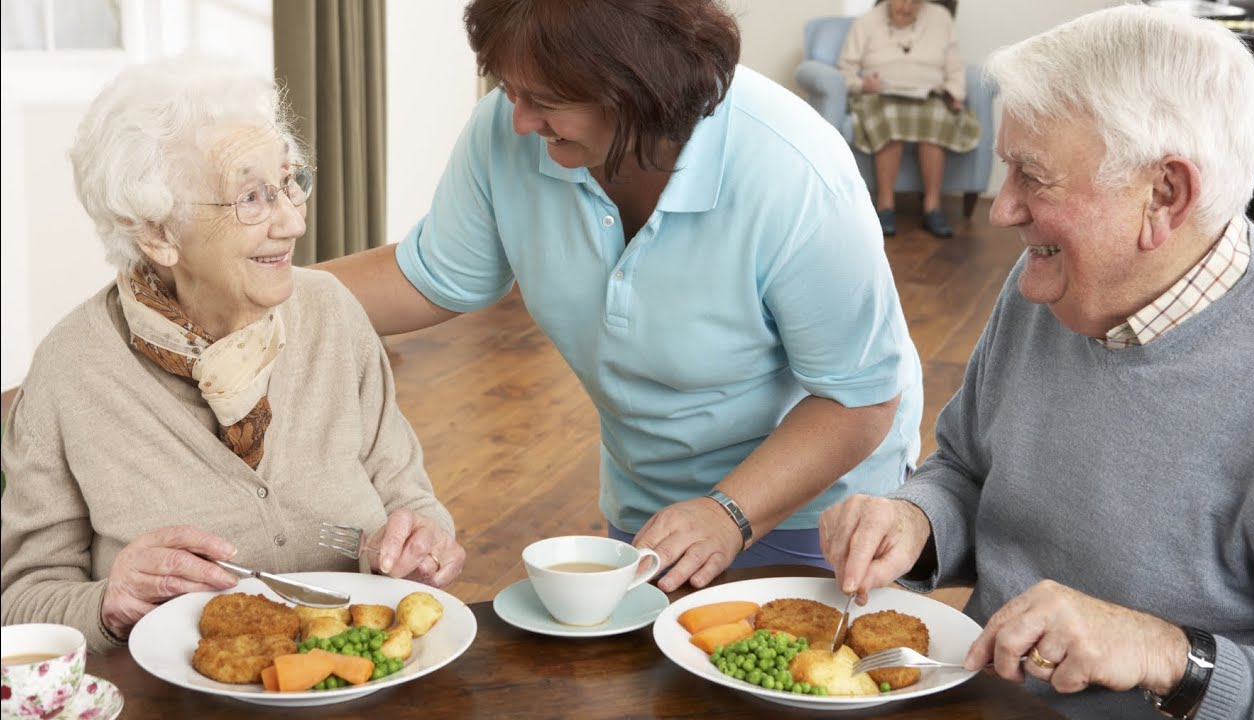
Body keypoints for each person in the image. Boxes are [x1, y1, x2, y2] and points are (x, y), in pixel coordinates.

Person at [320, 0, 923, 594]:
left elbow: (860, 398)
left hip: (817, 507)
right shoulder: (510, 134)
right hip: (653, 501)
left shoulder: (793, 171)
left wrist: (728, 513)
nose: (520, 121)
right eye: (508, 89)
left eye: (547, 102)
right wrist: (260, 291)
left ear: (638, 90)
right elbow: (430, 276)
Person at [819, 6, 1254, 719]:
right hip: (976, 696)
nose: (1002, 210)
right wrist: (917, 521)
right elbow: (967, 466)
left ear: (1164, 194)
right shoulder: (1052, 280)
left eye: (1032, 177)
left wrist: (1165, 654)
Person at [0, 57, 464, 654]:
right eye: (251, 197)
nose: (293, 220)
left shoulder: (331, 313)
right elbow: (20, 602)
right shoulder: (70, 371)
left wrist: (422, 542)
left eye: (291, 182)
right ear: (156, 233)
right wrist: (108, 602)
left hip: (357, 679)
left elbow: (410, 498)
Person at [837, 0, 981, 238]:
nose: (906, 7)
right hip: (879, 94)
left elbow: (955, 66)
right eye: (901, 1)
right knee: (890, 117)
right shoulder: (867, 21)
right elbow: (845, 69)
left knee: (936, 117)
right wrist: (863, 84)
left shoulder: (941, 19)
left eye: (914, 2)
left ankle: (932, 207)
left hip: (928, 93)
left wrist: (955, 93)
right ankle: (885, 206)